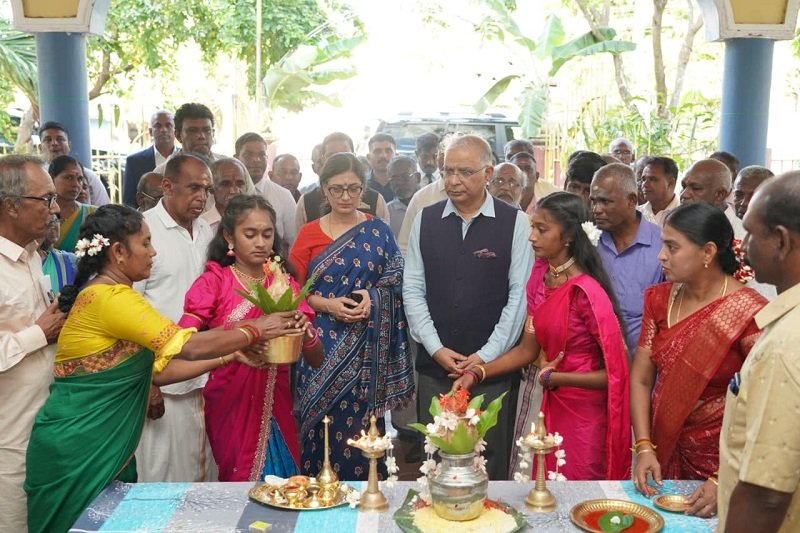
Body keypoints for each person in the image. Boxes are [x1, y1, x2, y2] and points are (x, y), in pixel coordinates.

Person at [24, 204, 306, 533]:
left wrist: (229, 356)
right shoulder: (110, 299)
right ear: (118, 252)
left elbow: (159, 372)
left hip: (98, 445)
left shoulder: (112, 296)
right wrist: (257, 328)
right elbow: (187, 344)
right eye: (145, 243)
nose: (153, 251)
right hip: (79, 447)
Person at [452, 191, 630, 481]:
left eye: (542, 229)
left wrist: (558, 378)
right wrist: (476, 372)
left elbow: (618, 371)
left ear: (569, 235)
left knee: (569, 490)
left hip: (582, 412)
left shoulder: (586, 292)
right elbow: (527, 350)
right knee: (532, 487)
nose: (531, 237)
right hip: (542, 398)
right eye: (532, 227)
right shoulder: (541, 275)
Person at [404, 134, 532, 480]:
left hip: (492, 374)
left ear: (488, 172)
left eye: (464, 171)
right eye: (447, 171)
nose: (452, 180)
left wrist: (486, 356)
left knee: (488, 465)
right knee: (437, 466)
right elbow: (412, 288)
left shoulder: (514, 222)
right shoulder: (426, 219)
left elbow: (518, 296)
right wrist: (435, 347)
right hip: (436, 370)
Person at [630, 202, 767, 517]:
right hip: (659, 454)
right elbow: (640, 379)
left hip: (720, 463)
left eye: (672, 247)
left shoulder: (748, 312)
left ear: (707, 253)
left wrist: (724, 478)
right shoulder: (659, 300)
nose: (660, 256)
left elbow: (761, 404)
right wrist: (644, 446)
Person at [179, 195, 322, 481]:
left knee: (283, 488)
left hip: (277, 401)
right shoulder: (215, 281)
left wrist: (304, 332)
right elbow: (184, 343)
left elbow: (316, 358)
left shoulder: (284, 283)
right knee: (240, 486)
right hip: (230, 402)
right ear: (229, 237)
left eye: (267, 234)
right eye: (250, 234)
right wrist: (245, 334)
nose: (260, 243)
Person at [290, 152, 414, 480]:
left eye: (354, 188)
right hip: (317, 346)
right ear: (324, 191)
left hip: (366, 351)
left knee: (361, 432)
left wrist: (374, 300)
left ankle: (363, 504)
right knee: (318, 425)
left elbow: (395, 281)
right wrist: (327, 305)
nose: (345, 197)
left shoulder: (378, 231)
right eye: (336, 189)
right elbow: (291, 292)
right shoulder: (308, 235)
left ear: (364, 188)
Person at [717, 173, 800, 532]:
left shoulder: (786, 344)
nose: (744, 244)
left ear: (781, 241)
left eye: (751, 233)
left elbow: (767, 495)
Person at [133, 154, 217, 483]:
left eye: (206, 190)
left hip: (202, 375)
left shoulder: (206, 233)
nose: (201, 197)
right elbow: (128, 308)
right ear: (167, 186)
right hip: (161, 382)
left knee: (203, 474)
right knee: (160, 478)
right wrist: (147, 380)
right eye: (193, 187)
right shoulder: (143, 232)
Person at [0, 155, 65, 533]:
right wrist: (40, 333)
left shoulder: (31, 258)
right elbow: (39, 332)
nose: (55, 210)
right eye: (45, 200)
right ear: (11, 206)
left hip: (43, 431)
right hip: (8, 444)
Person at [590, 163, 663, 352]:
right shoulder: (589, 242)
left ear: (631, 200)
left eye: (605, 202)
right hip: (596, 360)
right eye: (593, 201)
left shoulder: (662, 244)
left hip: (645, 362)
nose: (596, 209)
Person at [295, 132, 390, 229]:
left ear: (354, 156)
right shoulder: (306, 202)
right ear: (322, 159)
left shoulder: (376, 200)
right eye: (332, 156)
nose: (339, 161)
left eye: (345, 154)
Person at [234, 133, 297, 243]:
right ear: (236, 158)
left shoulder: (284, 196)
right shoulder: (227, 194)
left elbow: (294, 242)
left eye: (262, 155)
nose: (256, 160)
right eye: (248, 155)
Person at [38, 121, 109, 207]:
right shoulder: (37, 177)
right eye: (48, 140)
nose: (54, 143)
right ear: (40, 148)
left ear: (69, 145)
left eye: (60, 139)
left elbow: (103, 208)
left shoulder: (88, 176)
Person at [123, 110, 178, 207]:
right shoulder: (134, 162)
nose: (164, 130)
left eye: (168, 125)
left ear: (176, 130)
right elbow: (129, 204)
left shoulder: (185, 158)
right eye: (158, 126)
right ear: (150, 132)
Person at [680, 158, 744, 238]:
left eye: (695, 188)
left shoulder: (742, 237)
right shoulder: (675, 227)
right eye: (683, 186)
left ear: (720, 195)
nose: (684, 194)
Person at [153, 103, 222, 174]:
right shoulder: (162, 173)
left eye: (206, 130)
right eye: (192, 131)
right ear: (178, 135)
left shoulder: (228, 167)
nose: (201, 136)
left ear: (213, 133)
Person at [49, 155, 97, 253]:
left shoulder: (93, 214)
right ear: (51, 178)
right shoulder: (42, 212)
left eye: (79, 179)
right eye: (69, 177)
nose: (76, 184)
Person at [202, 158, 254, 233]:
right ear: (211, 188)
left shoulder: (257, 221)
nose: (234, 191)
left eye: (240, 184)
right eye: (226, 184)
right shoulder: (200, 226)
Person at [38, 214, 77, 297]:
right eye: (48, 222)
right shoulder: (26, 260)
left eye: (56, 221)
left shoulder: (70, 260)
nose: (53, 226)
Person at [639, 156, 680, 226]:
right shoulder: (636, 214)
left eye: (652, 179)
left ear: (670, 183)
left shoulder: (684, 214)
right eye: (643, 179)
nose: (645, 185)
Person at [385, 155, 420, 236]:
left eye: (405, 177)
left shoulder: (430, 203)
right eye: (395, 179)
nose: (399, 183)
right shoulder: (387, 212)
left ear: (418, 178)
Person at [366, 133, 397, 202]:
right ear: (368, 157)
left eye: (388, 151)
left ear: (396, 156)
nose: (383, 156)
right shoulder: (361, 185)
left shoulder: (405, 184)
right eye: (377, 151)